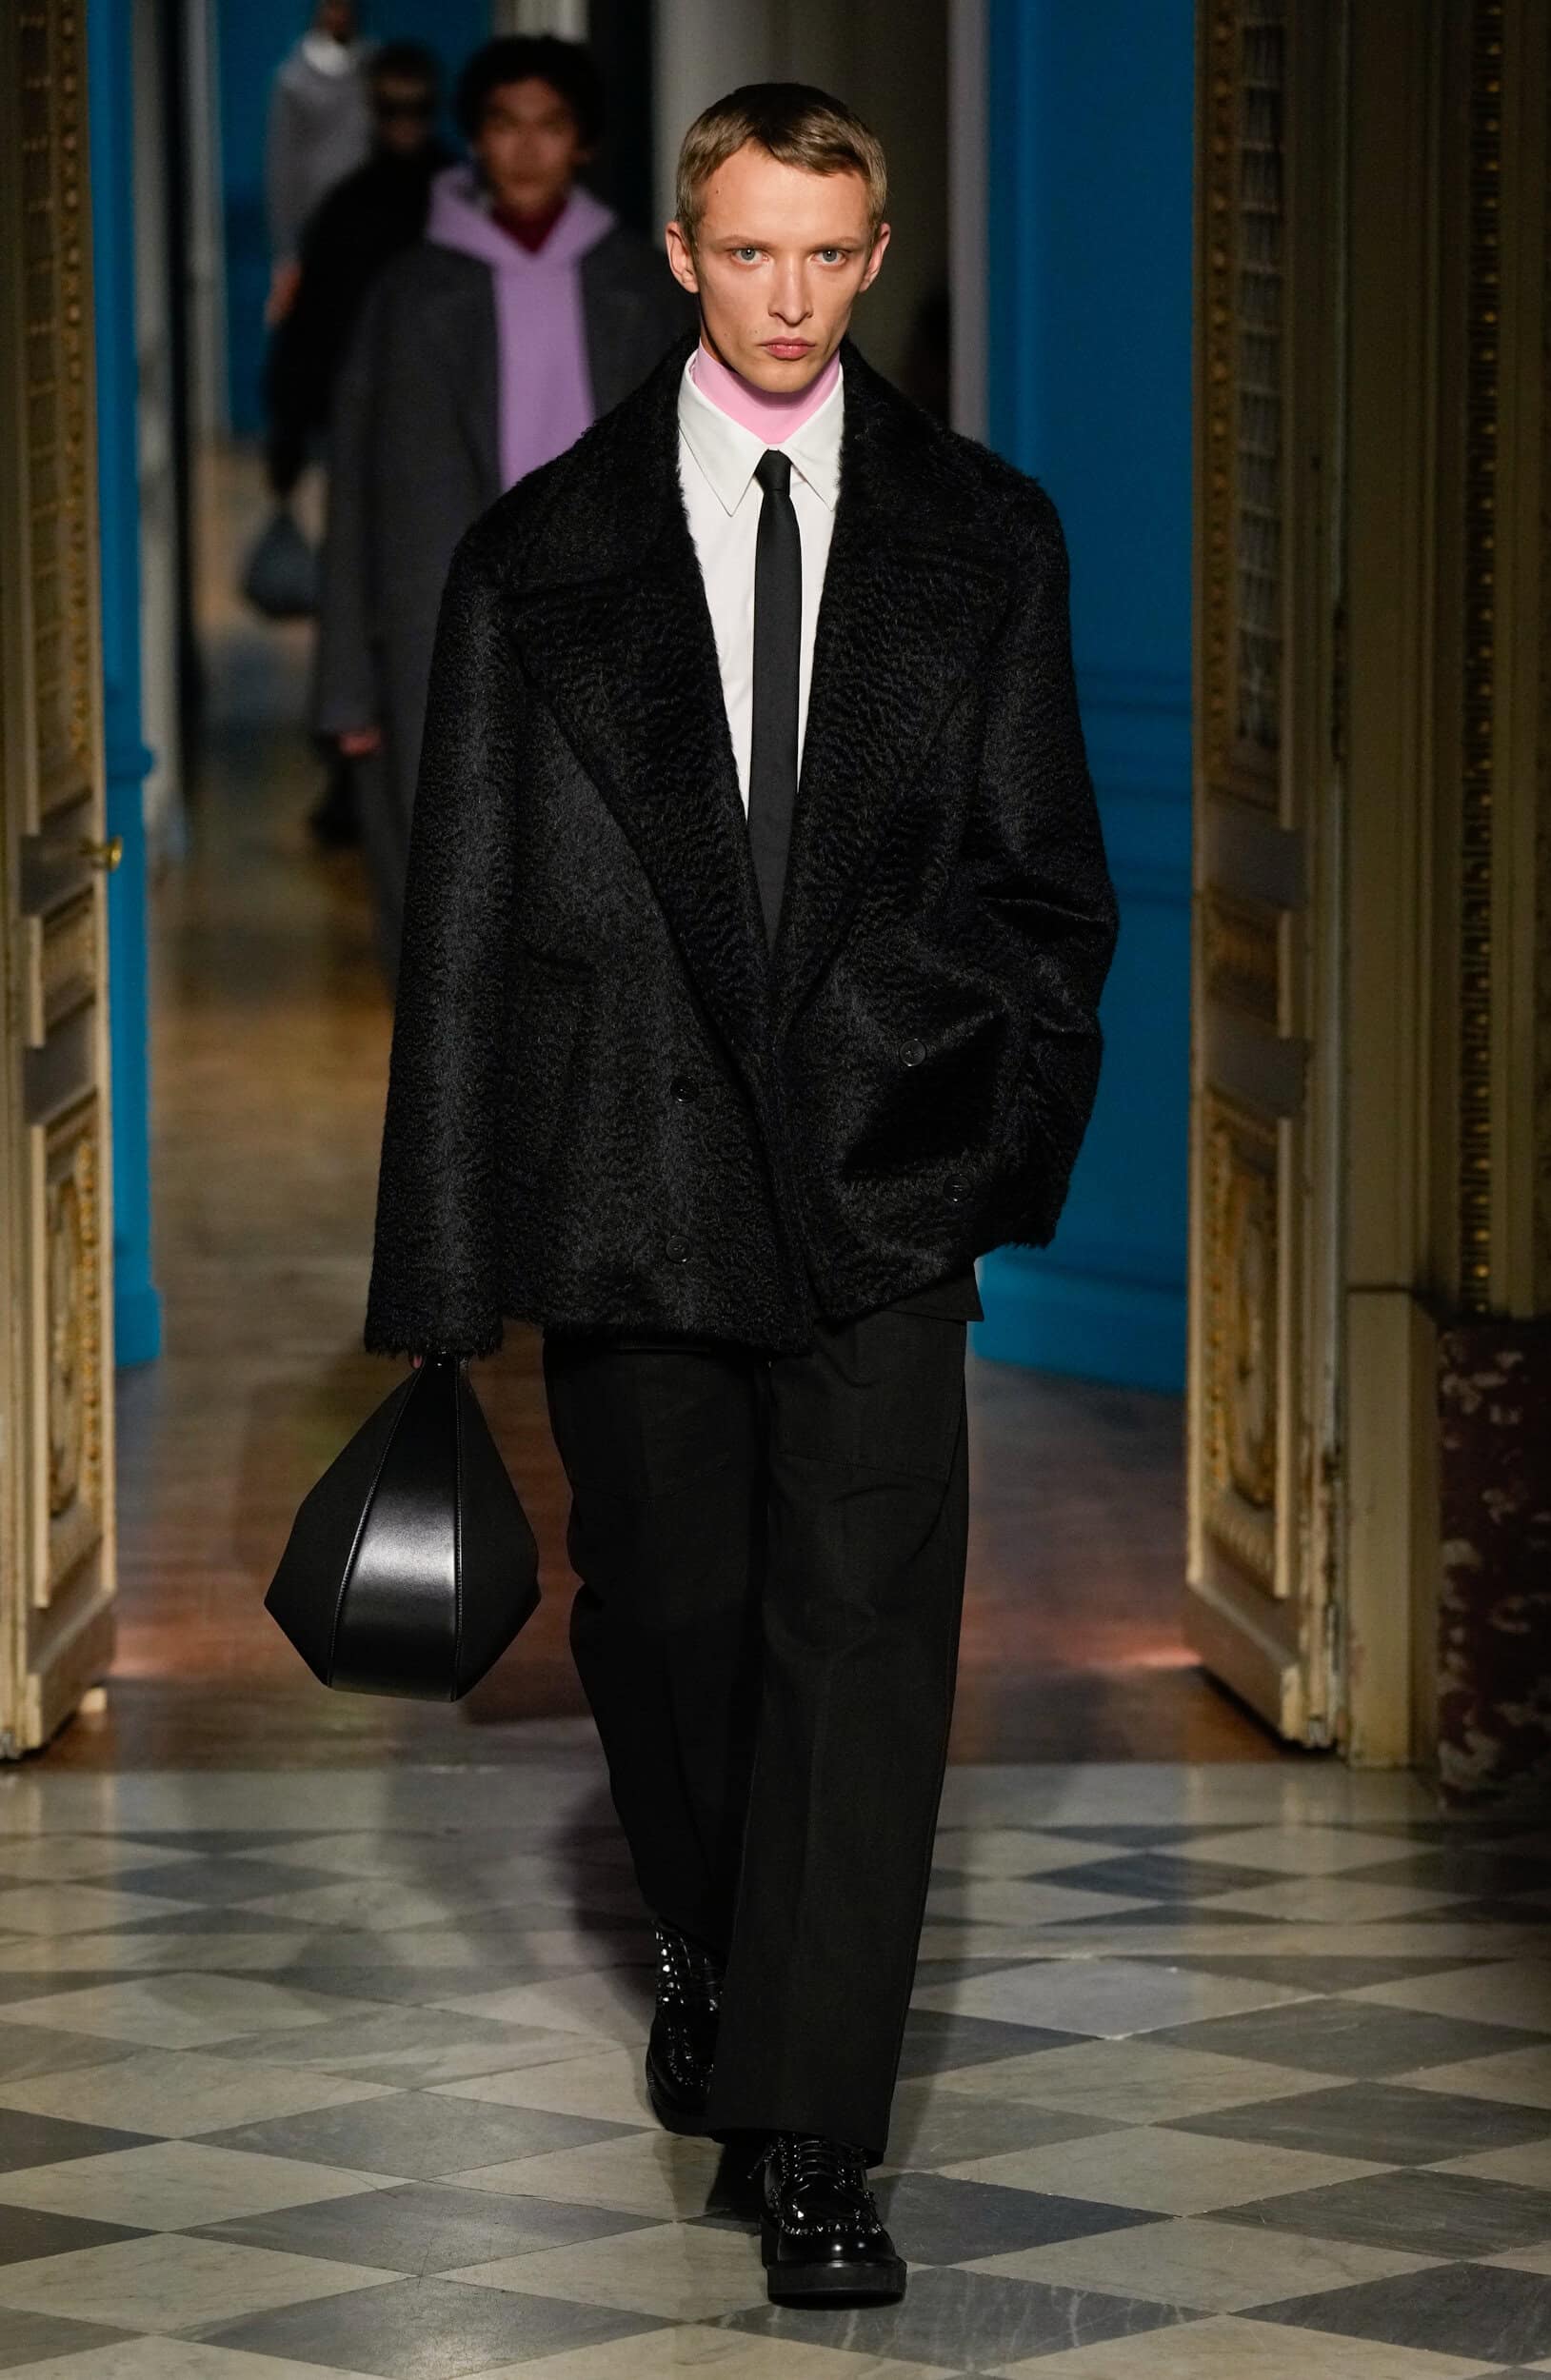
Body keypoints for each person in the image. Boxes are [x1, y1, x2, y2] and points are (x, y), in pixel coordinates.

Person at [363, 83, 1117, 2306]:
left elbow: (1044, 892)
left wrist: (964, 1130)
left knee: (862, 1643)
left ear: (870, 257)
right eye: (751, 250)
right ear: (683, 253)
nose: (789, 296)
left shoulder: (982, 536)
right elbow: (462, 928)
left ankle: (811, 2132)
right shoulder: (538, 553)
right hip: (627, 1174)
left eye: (827, 252)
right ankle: (702, 1928)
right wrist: (442, 1269)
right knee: (671, 1624)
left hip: (883, 1186)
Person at [314, 33, 687, 978]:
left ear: (584, 143)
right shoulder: (408, 293)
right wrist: (346, 685)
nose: (525, 148)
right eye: (503, 124)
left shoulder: (642, 289)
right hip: (437, 635)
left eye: (549, 125)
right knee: (449, 900)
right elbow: (355, 491)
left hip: (610, 635)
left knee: (608, 896)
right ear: (475, 138)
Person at [265, 40, 453, 851]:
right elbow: (312, 334)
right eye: (392, 107)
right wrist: (289, 439)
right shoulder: (354, 209)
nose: (404, 122)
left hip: (450, 444)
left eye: (417, 107)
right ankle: (354, 775)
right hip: (364, 442)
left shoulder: (458, 204)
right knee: (359, 600)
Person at [265, 1, 371, 334]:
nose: (339, 13)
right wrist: (286, 252)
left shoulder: (373, 68)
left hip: (371, 225)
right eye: (332, 5)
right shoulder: (294, 80)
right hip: (318, 229)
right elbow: (283, 168)